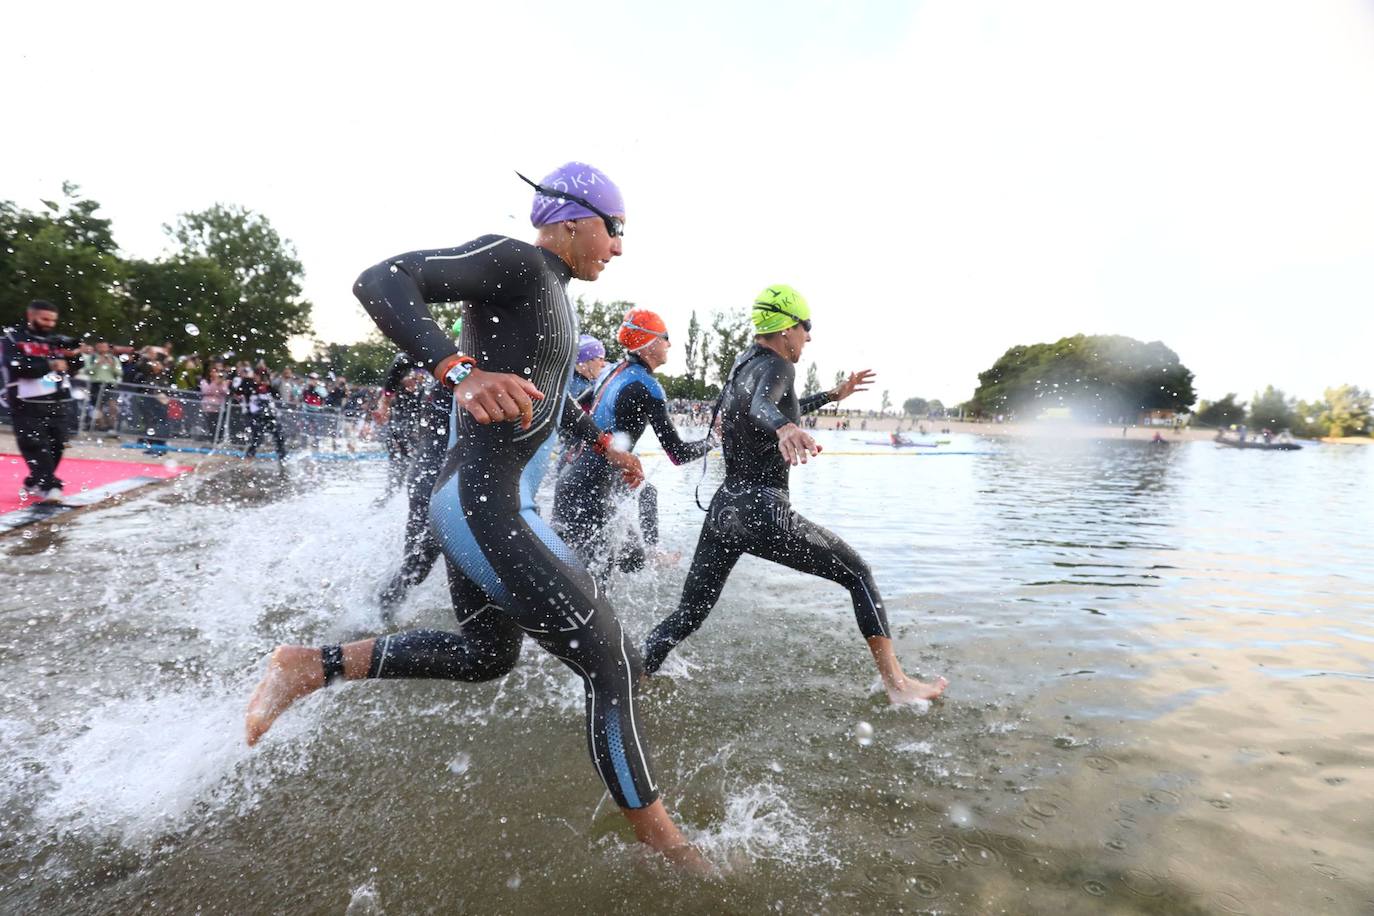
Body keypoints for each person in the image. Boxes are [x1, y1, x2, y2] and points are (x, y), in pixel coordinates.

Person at [244, 162, 708, 871]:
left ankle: (309, 667)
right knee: (611, 664)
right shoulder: (519, 261)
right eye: (614, 231)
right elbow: (382, 279)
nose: (617, 248)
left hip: (483, 504)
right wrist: (458, 370)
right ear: (573, 219)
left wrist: (606, 450)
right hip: (483, 505)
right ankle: (674, 854)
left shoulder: (550, 295)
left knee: (488, 656)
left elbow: (547, 397)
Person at [642, 284, 948, 705]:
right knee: (858, 573)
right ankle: (898, 684)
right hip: (761, 510)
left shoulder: (743, 364)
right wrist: (784, 429)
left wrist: (830, 397)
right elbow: (763, 411)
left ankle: (633, 673)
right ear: (787, 328)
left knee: (688, 614)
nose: (809, 336)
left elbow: (762, 405)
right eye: (806, 328)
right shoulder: (781, 367)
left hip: (723, 511)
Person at [553, 308, 713, 573]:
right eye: (665, 337)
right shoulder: (648, 387)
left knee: (633, 560)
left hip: (572, 481)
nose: (670, 344)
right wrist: (715, 439)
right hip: (590, 494)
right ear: (649, 343)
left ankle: (651, 553)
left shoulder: (611, 371)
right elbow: (678, 454)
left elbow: (571, 418)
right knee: (591, 591)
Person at [1, 300, 82, 501]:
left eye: (53, 320)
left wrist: (73, 357)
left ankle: (35, 480)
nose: (49, 324)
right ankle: (49, 486)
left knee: (58, 445)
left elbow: (74, 367)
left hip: (59, 400)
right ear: (31, 316)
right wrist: (50, 365)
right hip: (26, 401)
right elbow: (16, 367)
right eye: (45, 319)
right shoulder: (12, 337)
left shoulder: (57, 340)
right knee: (34, 444)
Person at [243, 366, 287, 460]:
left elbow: (278, 396)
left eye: (261, 376)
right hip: (255, 416)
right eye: (258, 376)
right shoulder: (250, 385)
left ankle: (282, 456)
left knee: (279, 435)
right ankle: (249, 456)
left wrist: (268, 385)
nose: (258, 378)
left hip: (269, 416)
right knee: (257, 438)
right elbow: (242, 390)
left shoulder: (269, 387)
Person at [568, 334, 606, 399]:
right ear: (584, 361)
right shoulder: (576, 390)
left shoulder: (585, 383)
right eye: (600, 359)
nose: (603, 365)